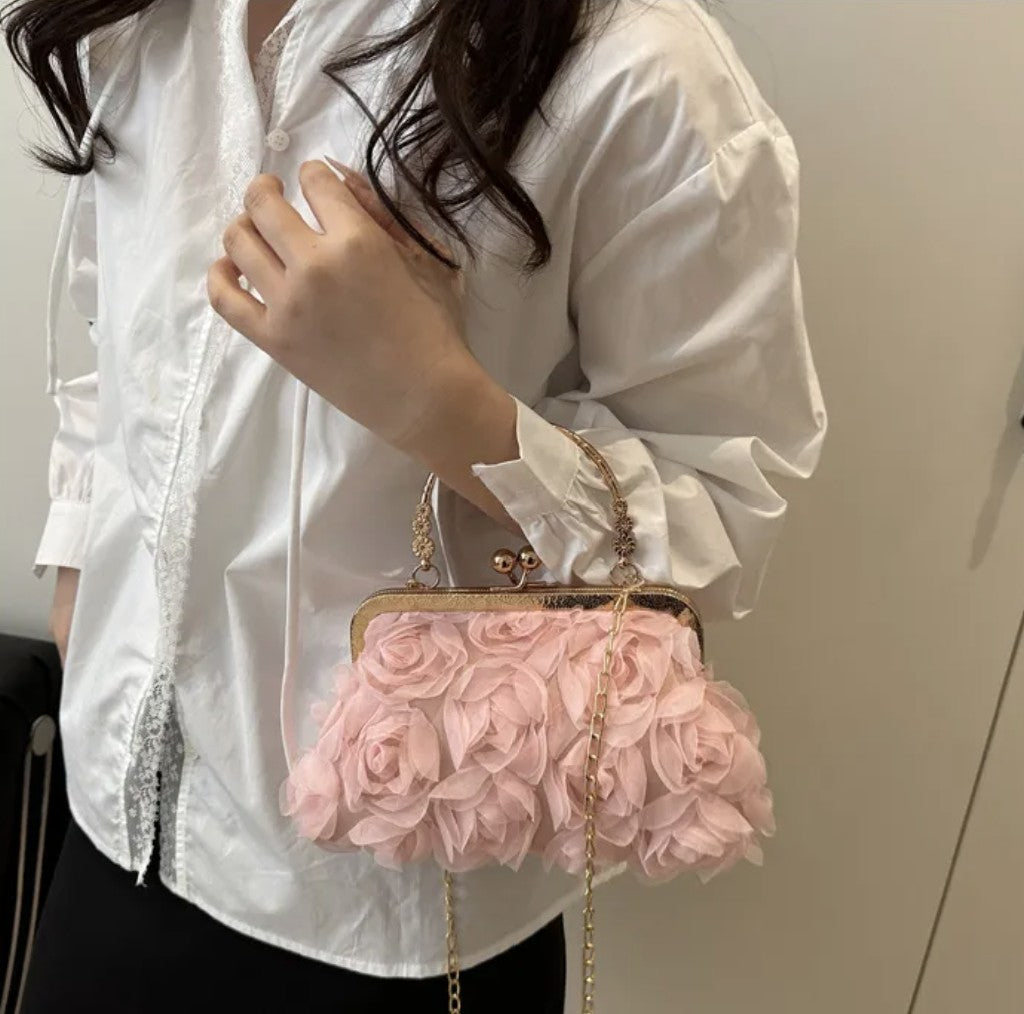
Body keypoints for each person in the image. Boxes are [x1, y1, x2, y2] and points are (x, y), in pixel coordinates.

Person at [5, 0, 827, 1010]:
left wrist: (443, 407)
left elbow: (724, 515)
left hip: (393, 902)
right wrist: (81, 563)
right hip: (113, 820)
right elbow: (105, 324)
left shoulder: (634, 69)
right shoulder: (148, 17)